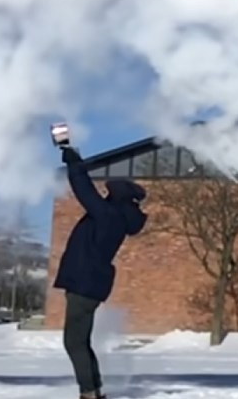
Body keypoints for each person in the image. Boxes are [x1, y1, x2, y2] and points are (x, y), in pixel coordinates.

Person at [53, 142, 147, 399]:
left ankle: (88, 394)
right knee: (80, 342)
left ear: (117, 198)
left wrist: (73, 161)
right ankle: (93, 391)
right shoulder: (115, 217)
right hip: (90, 285)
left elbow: (84, 190)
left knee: (73, 342)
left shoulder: (108, 215)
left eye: (109, 194)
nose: (105, 196)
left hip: (84, 285)